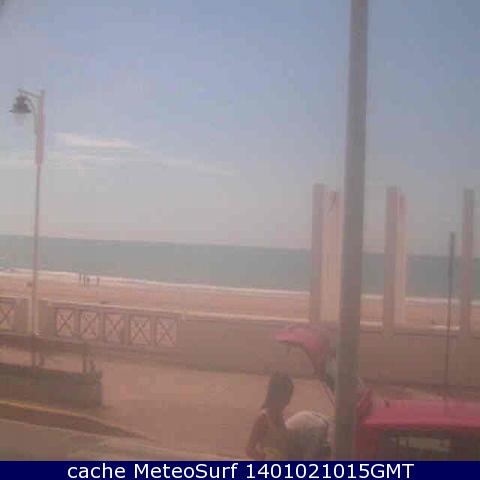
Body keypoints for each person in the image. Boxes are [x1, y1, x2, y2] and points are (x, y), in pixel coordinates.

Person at [246, 372, 293, 460]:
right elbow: (249, 449)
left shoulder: (280, 417)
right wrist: (265, 458)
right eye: (286, 397)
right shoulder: (263, 419)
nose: (288, 402)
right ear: (276, 395)